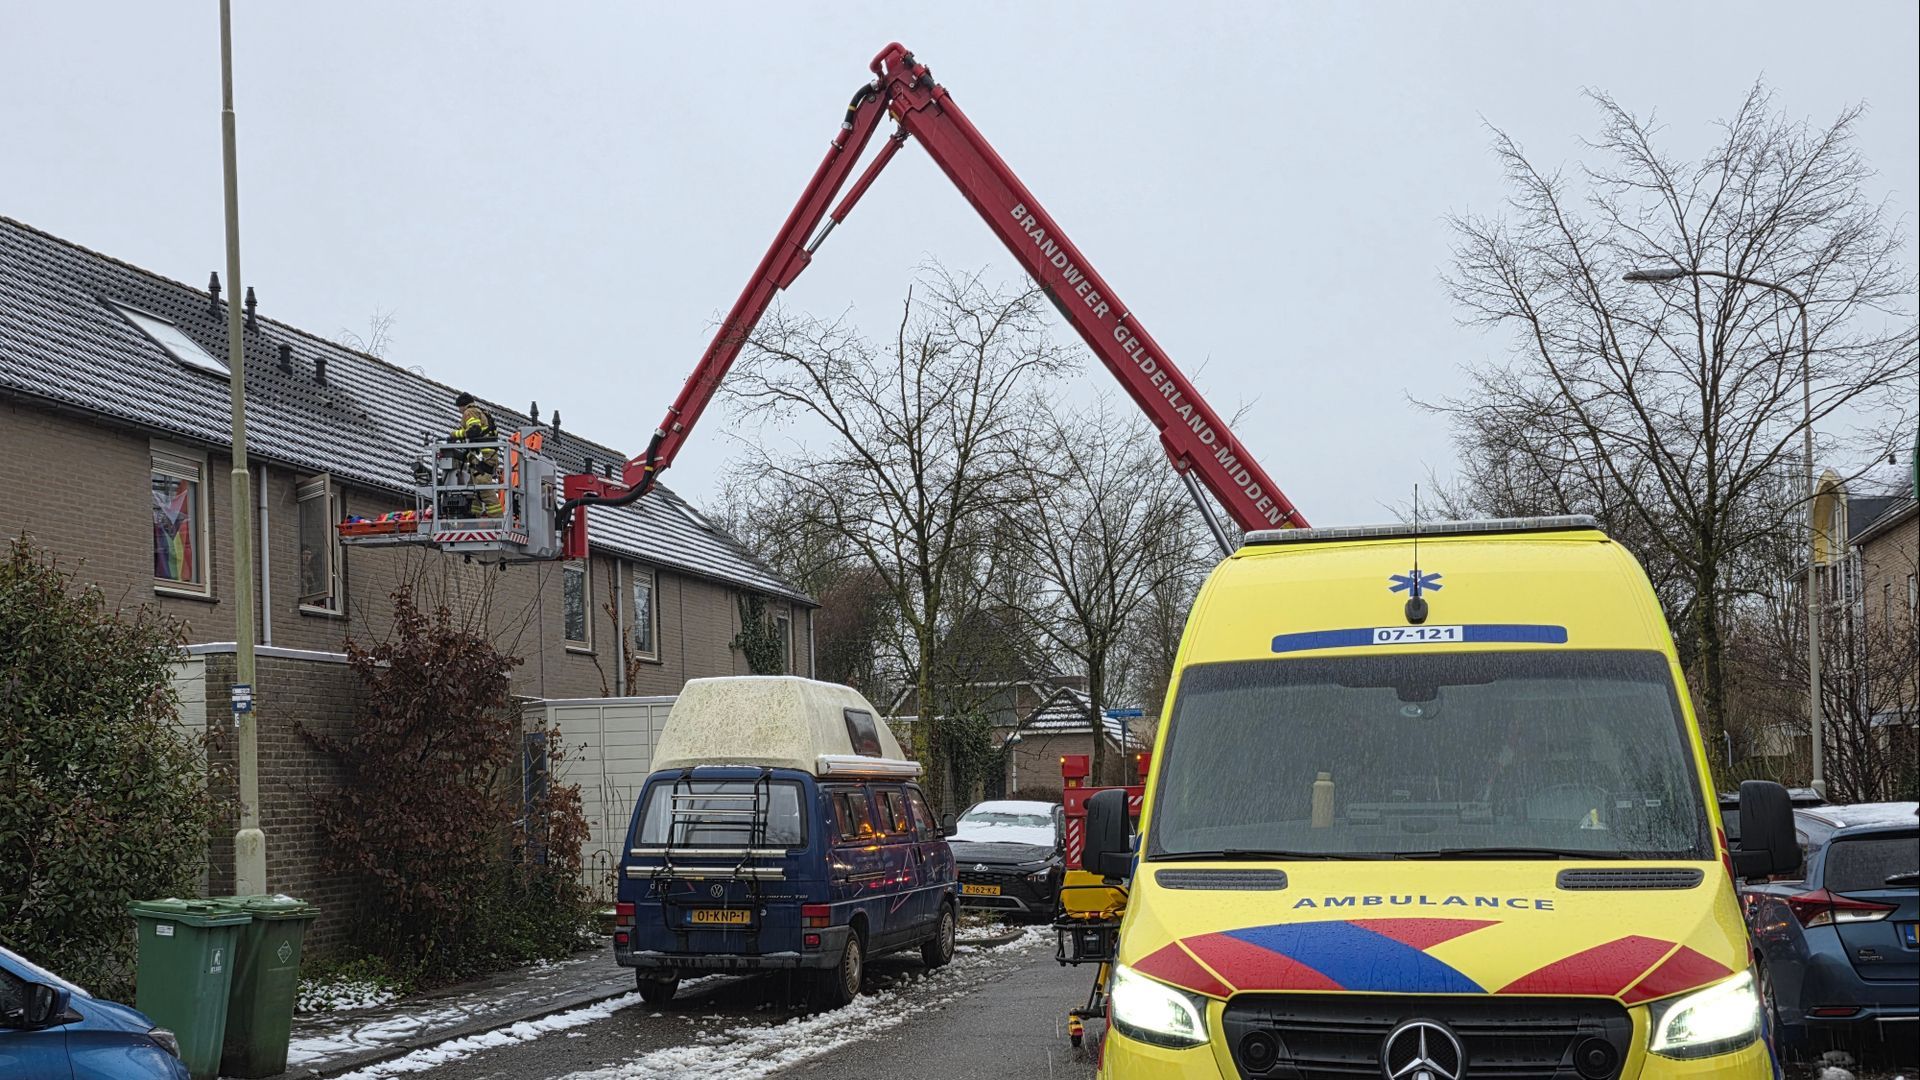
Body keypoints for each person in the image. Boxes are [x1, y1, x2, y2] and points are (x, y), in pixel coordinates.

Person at [446, 393, 503, 517]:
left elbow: (474, 431)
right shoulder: (481, 412)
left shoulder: (470, 412)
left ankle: (499, 520)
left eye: (459, 408)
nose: (459, 411)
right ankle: (473, 517)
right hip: (485, 456)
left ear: (462, 405)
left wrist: (454, 435)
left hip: (483, 457)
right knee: (474, 491)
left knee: (484, 490)